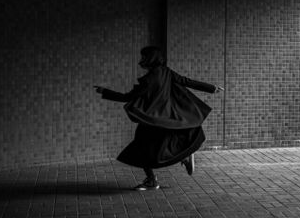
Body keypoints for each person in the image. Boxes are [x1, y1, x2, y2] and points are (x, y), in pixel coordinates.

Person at [94, 46, 223, 191]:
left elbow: (128, 97)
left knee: (142, 149)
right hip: (167, 117)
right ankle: (182, 158)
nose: (141, 60)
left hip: (152, 119)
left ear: (151, 58)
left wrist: (105, 91)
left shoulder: (148, 80)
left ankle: (152, 180)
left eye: (144, 57)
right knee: (159, 145)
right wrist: (211, 88)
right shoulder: (166, 72)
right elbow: (186, 81)